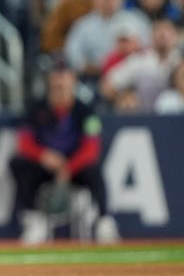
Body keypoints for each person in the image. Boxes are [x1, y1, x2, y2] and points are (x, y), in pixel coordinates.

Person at [10, 59, 119, 245]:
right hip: (45, 164)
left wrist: (68, 167)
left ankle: (104, 221)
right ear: (49, 79)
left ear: (73, 79)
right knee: (19, 164)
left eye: (64, 75)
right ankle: (33, 220)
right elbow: (24, 144)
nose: (60, 81)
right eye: (56, 75)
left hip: (74, 166)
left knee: (94, 169)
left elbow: (91, 148)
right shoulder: (35, 109)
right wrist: (44, 156)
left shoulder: (85, 110)